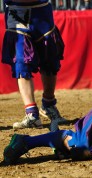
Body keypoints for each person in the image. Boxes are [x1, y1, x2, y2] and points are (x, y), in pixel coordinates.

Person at [1, 0, 66, 131]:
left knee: (50, 62)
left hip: (42, 13)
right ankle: (32, 114)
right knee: (21, 62)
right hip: (17, 13)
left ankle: (48, 104)